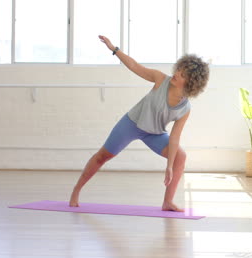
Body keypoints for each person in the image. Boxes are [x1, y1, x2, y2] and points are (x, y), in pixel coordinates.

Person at [69, 35, 209, 212]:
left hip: (154, 133)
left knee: (180, 157)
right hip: (132, 123)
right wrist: (114, 49)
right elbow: (135, 66)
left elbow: (174, 139)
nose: (176, 74)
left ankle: (167, 202)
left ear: (190, 82)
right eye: (178, 69)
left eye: (181, 75)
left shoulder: (185, 108)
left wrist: (169, 166)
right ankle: (76, 190)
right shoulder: (160, 79)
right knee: (102, 156)